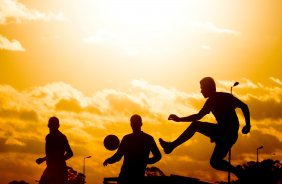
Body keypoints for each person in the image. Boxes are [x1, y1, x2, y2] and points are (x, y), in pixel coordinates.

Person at [159, 77, 251, 179]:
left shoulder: (226, 97)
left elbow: (244, 106)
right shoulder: (210, 102)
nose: (201, 91)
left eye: (202, 88)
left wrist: (247, 125)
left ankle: (171, 146)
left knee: (196, 125)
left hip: (227, 133)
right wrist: (180, 119)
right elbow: (198, 116)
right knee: (215, 162)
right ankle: (238, 172)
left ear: (209, 88)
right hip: (223, 133)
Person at [103, 114, 162, 184]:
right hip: (138, 177)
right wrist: (145, 161)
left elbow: (118, 156)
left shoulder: (127, 139)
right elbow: (158, 156)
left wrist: (109, 160)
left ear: (131, 124)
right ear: (141, 124)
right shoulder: (148, 138)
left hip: (125, 177)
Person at [36, 116, 73, 184]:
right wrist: (43, 159)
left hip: (60, 170)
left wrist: (59, 161)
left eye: (53, 125)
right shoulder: (48, 137)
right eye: (51, 125)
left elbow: (70, 153)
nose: (51, 128)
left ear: (57, 126)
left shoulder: (61, 137)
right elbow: (51, 154)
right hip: (50, 168)